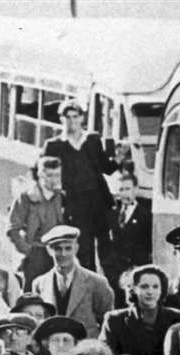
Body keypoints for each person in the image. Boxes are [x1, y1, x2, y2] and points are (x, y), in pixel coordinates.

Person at [43, 100, 118, 271]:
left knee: (107, 247)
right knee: (84, 249)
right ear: (62, 120)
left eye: (75, 117)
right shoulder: (54, 145)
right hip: (75, 204)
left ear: (82, 118)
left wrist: (119, 159)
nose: (71, 121)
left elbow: (107, 168)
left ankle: (111, 288)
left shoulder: (92, 140)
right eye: (67, 117)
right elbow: (40, 170)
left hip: (98, 201)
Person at [101, 265, 180, 355]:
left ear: (162, 290)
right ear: (133, 289)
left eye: (155, 287)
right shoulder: (114, 319)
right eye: (144, 286)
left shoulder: (177, 318)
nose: (150, 292)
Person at [30, 225, 115, 338]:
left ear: (76, 248)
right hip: (53, 348)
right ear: (49, 251)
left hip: (85, 348)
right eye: (58, 249)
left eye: (68, 248)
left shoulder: (97, 282)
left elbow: (107, 323)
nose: (63, 254)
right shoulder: (39, 284)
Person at [9, 156, 68, 287]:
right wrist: (27, 250)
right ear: (41, 175)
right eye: (50, 175)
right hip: (35, 252)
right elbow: (12, 229)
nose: (54, 180)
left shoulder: (60, 197)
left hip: (56, 251)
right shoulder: (26, 197)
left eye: (57, 175)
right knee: (31, 294)